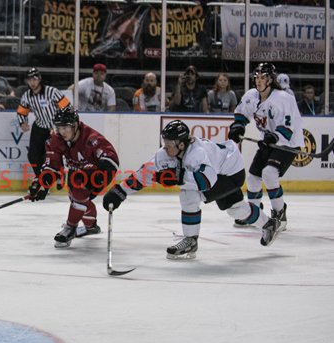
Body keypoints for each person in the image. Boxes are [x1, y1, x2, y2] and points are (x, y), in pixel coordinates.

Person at [103, 120, 281, 260]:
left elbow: (206, 181)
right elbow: (146, 172)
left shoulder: (197, 154)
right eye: (164, 142)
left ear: (181, 144)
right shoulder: (166, 153)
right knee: (236, 209)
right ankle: (268, 223)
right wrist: (121, 191)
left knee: (188, 194)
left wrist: (178, 177)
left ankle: (190, 241)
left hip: (231, 172)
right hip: (222, 166)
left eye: (169, 143)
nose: (165, 147)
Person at [27, 107, 120, 248]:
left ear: (76, 125)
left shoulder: (92, 139)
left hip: (97, 174)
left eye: (65, 127)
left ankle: (70, 228)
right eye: (59, 127)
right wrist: (42, 183)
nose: (62, 131)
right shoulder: (56, 139)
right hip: (76, 172)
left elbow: (111, 160)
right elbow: (52, 164)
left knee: (78, 193)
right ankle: (91, 226)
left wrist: (101, 174)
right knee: (78, 201)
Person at [228, 62, 304, 232]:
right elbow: (242, 113)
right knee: (253, 179)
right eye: (256, 77)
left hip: (288, 143)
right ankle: (254, 215)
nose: (258, 81)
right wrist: (238, 126)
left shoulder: (283, 98)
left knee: (269, 174)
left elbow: (287, 127)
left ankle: (280, 214)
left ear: (271, 79)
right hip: (269, 142)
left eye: (263, 77)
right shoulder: (252, 95)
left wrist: (273, 136)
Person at [16, 67, 71, 177]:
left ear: (39, 79)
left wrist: (61, 125)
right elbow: (22, 111)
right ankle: (41, 179)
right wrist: (22, 122)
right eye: (30, 80)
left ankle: (60, 175)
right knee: (33, 156)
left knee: (55, 155)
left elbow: (67, 107)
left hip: (55, 128)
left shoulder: (51, 91)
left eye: (35, 79)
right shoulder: (27, 95)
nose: (32, 82)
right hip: (40, 126)